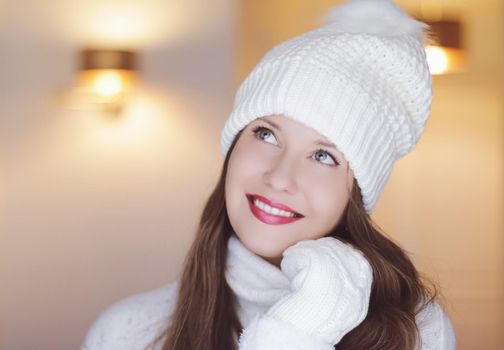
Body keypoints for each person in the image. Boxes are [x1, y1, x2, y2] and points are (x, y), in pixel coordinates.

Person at [81, 0, 457, 349]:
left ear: (355, 192)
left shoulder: (415, 328)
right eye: (266, 134)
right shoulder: (127, 331)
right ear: (233, 148)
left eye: (323, 156)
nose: (280, 177)